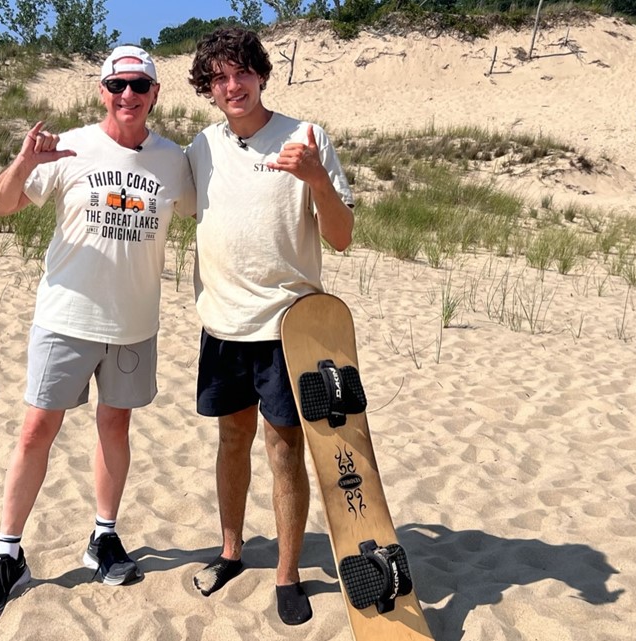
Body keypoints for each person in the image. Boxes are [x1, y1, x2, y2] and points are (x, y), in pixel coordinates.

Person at [0, 45, 195, 622]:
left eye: (139, 85)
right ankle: (7, 553)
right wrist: (22, 162)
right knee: (37, 429)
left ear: (155, 94)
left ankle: (103, 536)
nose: (128, 96)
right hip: (66, 317)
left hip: (134, 324)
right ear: (102, 91)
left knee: (115, 426)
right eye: (117, 85)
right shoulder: (69, 146)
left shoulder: (174, 161)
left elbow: (213, 212)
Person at [184, 27, 354, 626]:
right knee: (232, 439)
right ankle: (230, 550)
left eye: (242, 73)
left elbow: (342, 236)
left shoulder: (307, 138)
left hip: (291, 329)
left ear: (261, 74)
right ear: (208, 88)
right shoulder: (201, 148)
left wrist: (314, 178)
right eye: (219, 78)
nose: (233, 86)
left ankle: (286, 574)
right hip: (223, 324)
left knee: (285, 450)